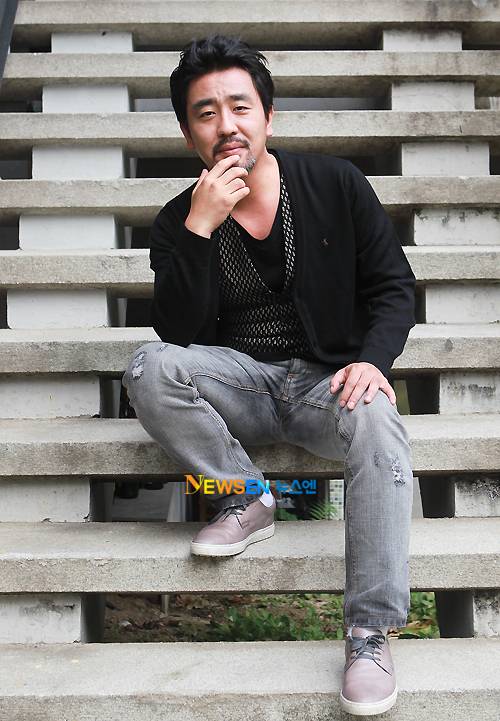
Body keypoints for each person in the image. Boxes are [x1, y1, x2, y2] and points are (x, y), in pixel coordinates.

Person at [122, 35, 416, 716]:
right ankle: (243, 496)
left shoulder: (335, 184)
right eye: (206, 113)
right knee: (148, 366)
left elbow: (393, 287)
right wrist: (200, 230)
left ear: (268, 116)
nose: (226, 125)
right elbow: (178, 336)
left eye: (240, 107)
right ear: (188, 132)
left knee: (378, 418)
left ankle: (370, 633)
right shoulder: (176, 221)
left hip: (326, 384)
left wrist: (372, 360)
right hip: (241, 383)